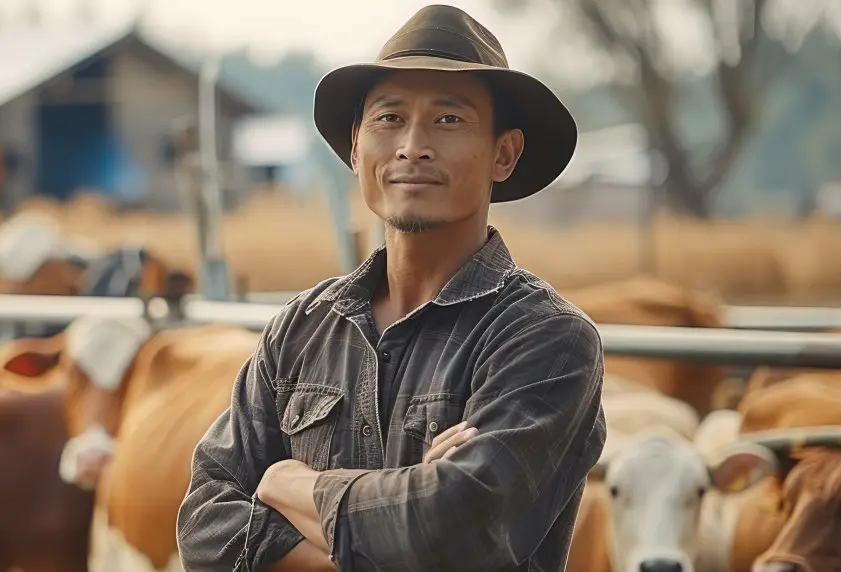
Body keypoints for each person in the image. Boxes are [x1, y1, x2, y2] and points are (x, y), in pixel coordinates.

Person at [175, 5, 605, 571]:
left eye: (449, 120)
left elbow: (451, 532)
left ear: (504, 153)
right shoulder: (302, 329)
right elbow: (203, 525)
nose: (412, 146)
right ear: (356, 146)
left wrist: (286, 484)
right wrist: (394, 516)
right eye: (389, 118)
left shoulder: (546, 340)